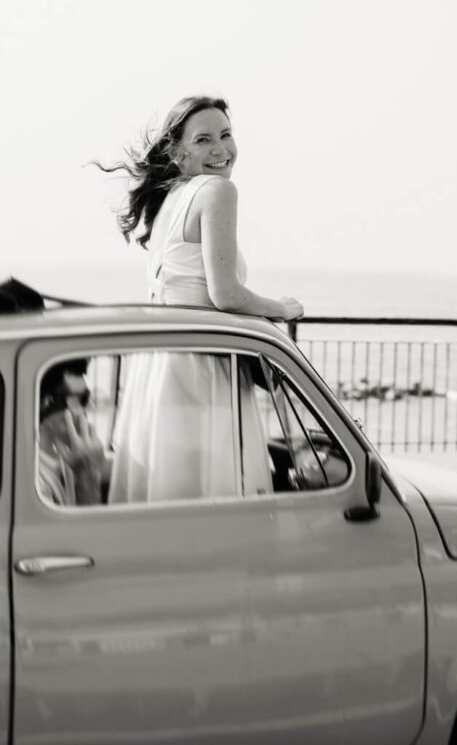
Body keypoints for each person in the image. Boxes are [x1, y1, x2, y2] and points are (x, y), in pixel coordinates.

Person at [98, 94, 304, 503]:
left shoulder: (169, 202)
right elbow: (225, 294)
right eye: (204, 140)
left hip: (159, 369)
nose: (220, 150)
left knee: (166, 498)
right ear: (178, 152)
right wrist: (282, 309)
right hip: (202, 369)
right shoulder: (216, 191)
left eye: (226, 135)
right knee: (215, 501)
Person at [0, 358, 104, 506]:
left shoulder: (64, 455)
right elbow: (82, 529)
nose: (88, 408)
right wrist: (88, 475)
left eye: (87, 398)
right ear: (45, 404)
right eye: (81, 400)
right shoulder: (15, 477)